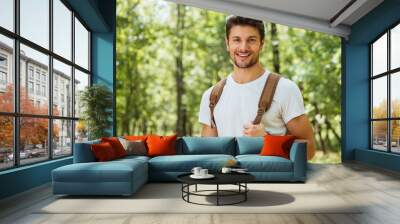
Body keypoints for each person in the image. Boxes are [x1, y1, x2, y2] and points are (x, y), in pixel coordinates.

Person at [198, 16, 315, 160]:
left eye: (251, 40)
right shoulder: (212, 96)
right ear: (227, 43)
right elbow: (208, 154)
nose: (243, 47)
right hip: (228, 181)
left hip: (271, 181)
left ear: (262, 44)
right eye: (237, 40)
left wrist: (266, 139)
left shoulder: (285, 89)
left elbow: (309, 150)